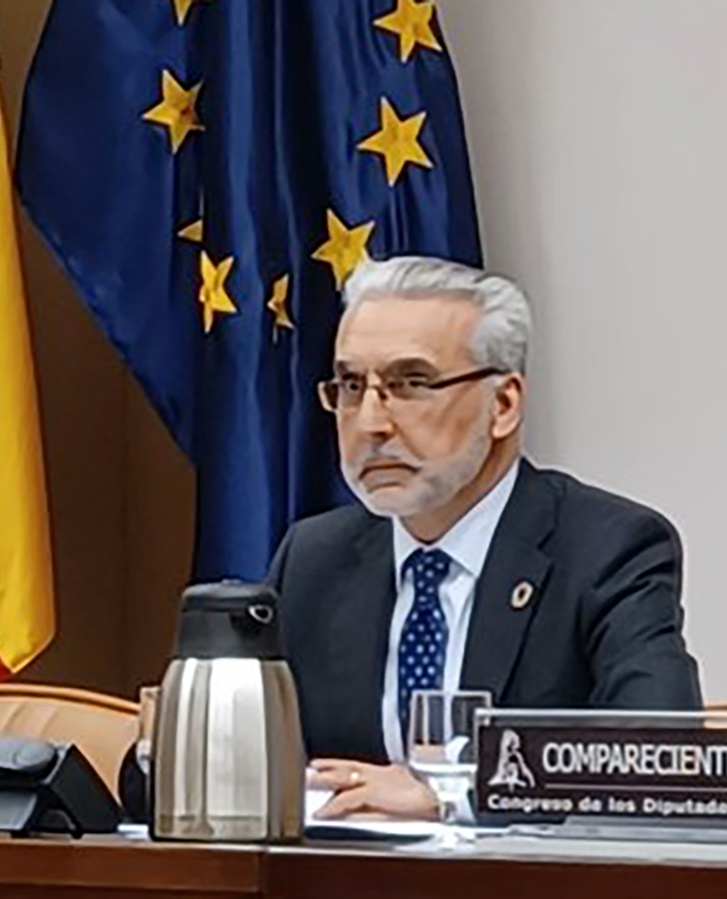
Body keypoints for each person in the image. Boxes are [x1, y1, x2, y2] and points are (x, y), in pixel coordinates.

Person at [268, 256, 702, 820]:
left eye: (412, 383)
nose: (371, 422)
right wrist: (184, 747)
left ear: (504, 405)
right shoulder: (313, 558)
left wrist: (453, 795)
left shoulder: (607, 549)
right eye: (352, 386)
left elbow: (658, 755)